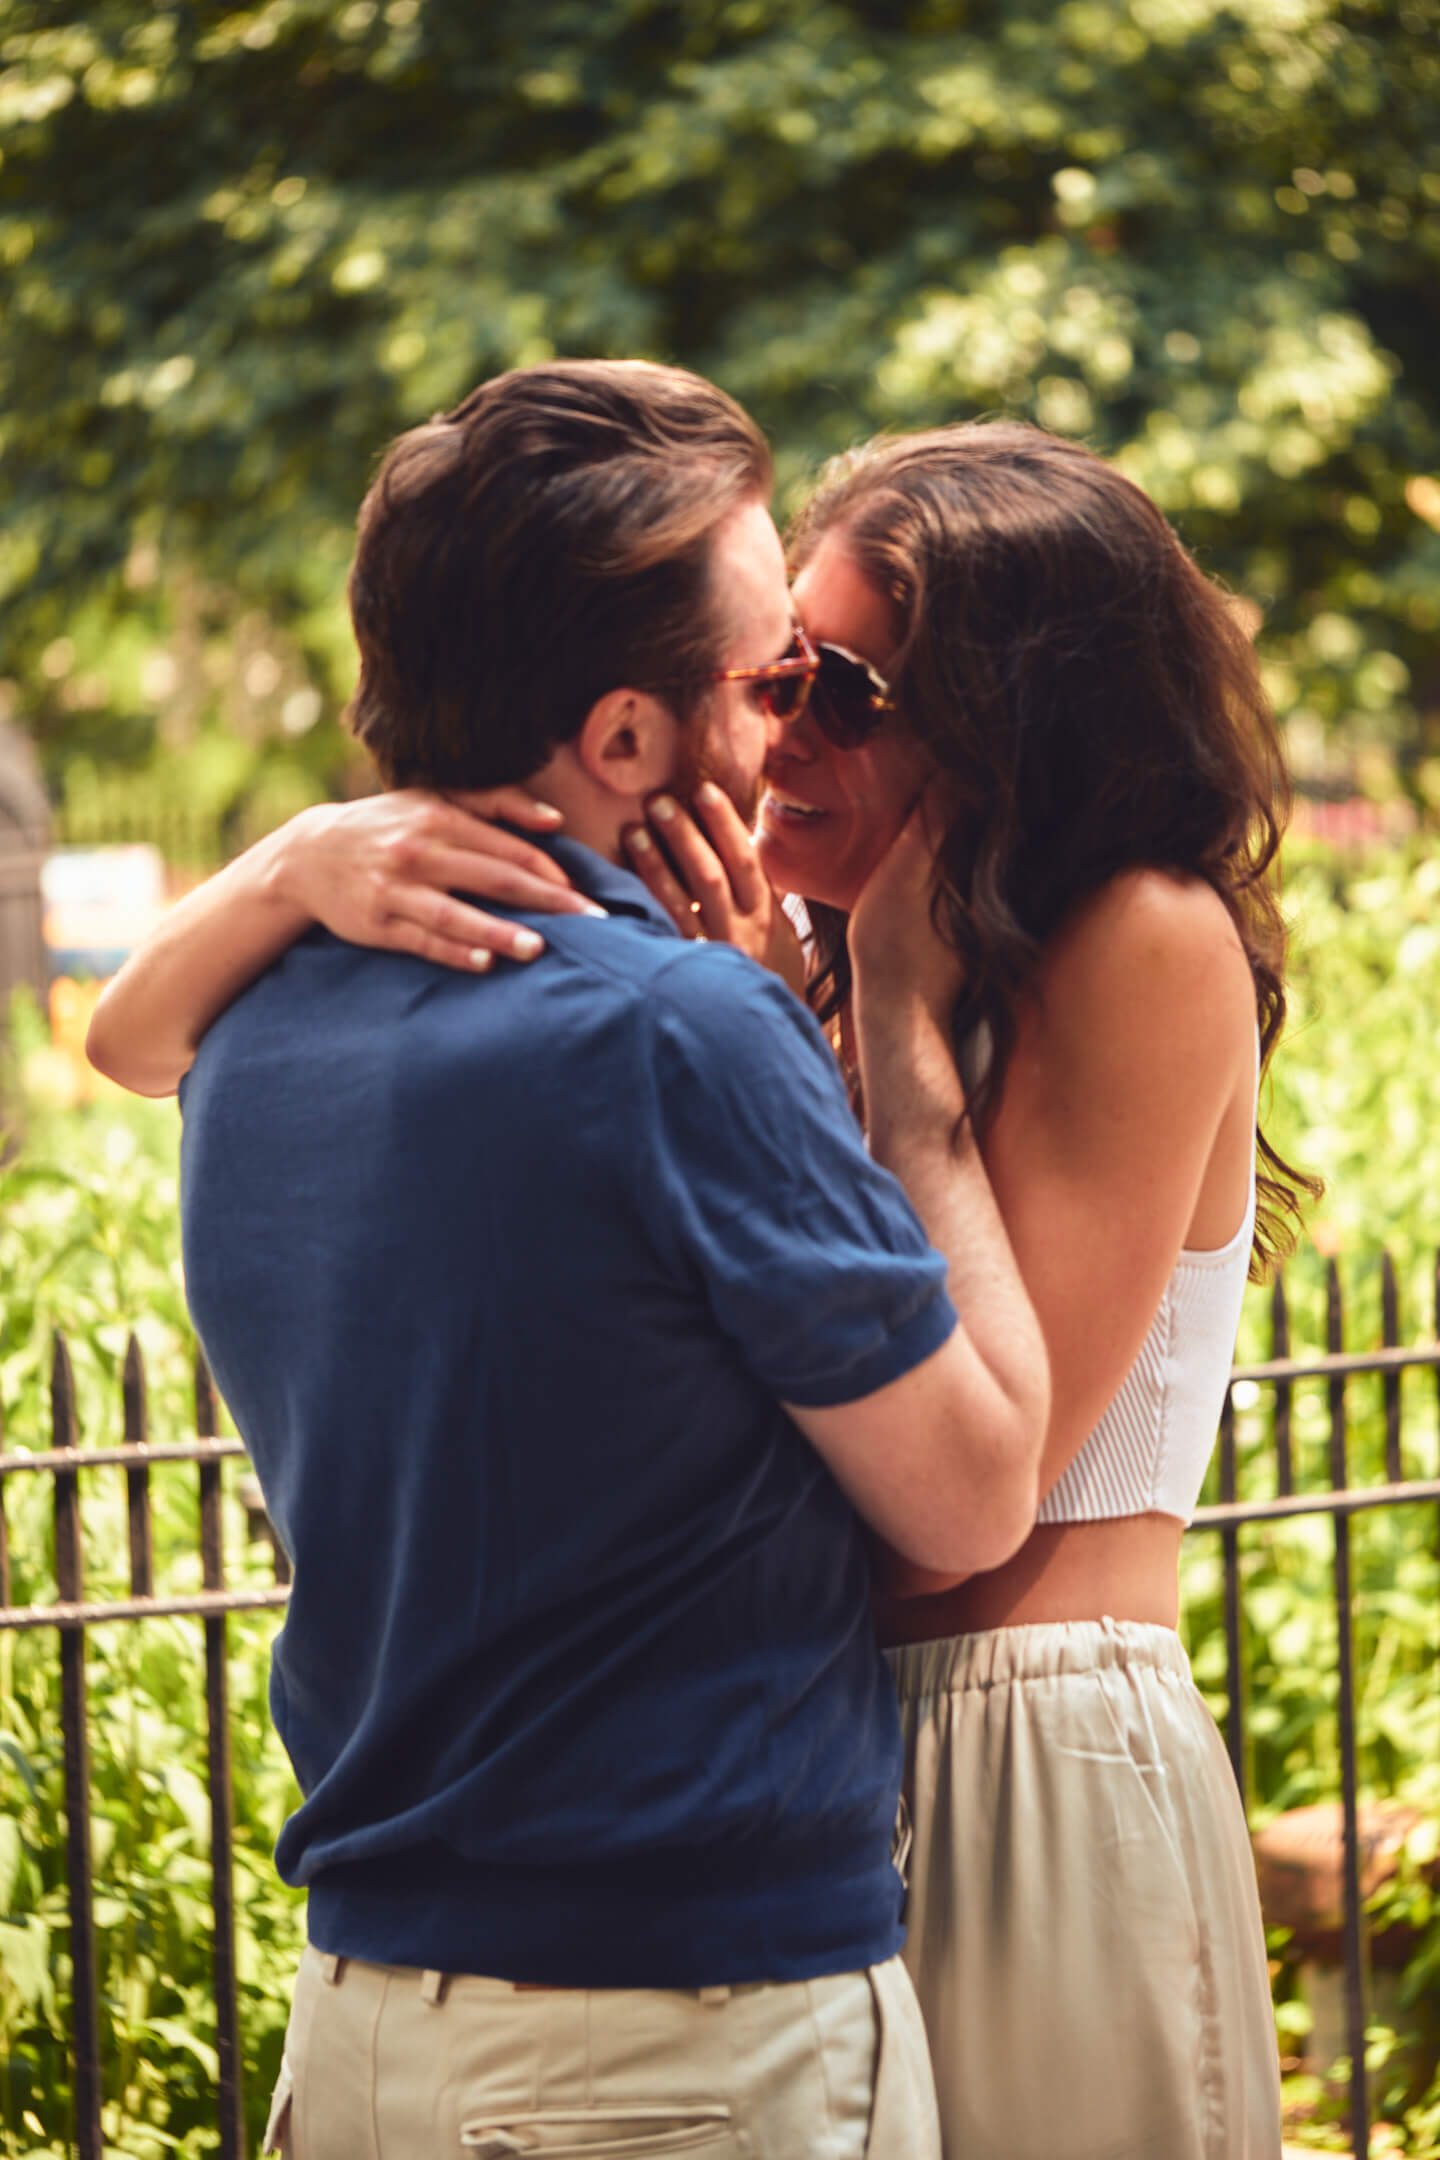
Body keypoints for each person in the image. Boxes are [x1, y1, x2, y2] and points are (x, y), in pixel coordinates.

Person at [91, 413, 1300, 2158]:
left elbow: (965, 1495)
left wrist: (871, 1036)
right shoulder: (739, 981)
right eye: (783, 672)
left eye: (852, 695)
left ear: (1008, 722)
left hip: (1014, 1754)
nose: (789, 730)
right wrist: (298, 860)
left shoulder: (1134, 934)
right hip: (799, 1791)